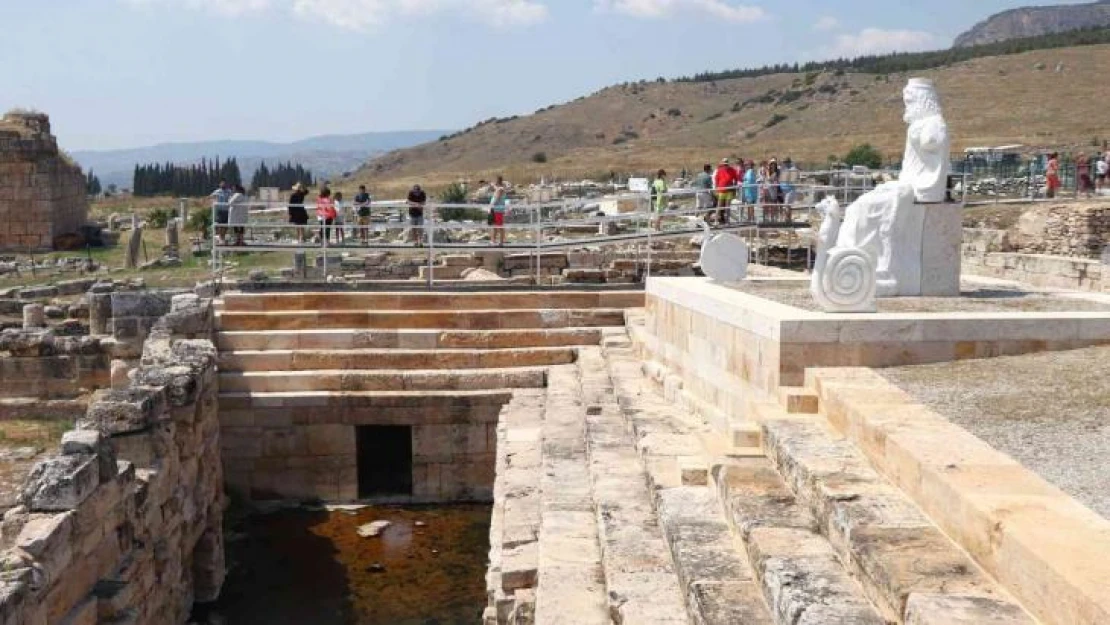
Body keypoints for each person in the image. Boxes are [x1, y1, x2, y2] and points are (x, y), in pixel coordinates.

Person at [489, 176, 508, 246]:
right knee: (495, 226)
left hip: (497, 210)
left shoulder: (500, 189)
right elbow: (496, 189)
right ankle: (494, 241)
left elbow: (496, 198)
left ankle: (500, 242)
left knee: (499, 226)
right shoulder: (499, 189)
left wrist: (490, 207)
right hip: (496, 210)